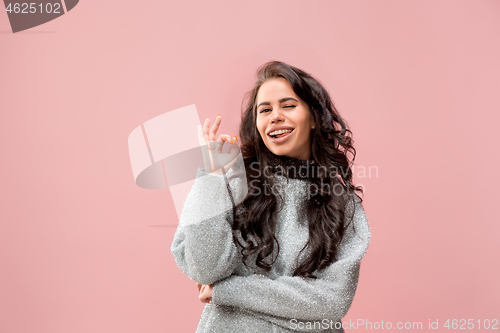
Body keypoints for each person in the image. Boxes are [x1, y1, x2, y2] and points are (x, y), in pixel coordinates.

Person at [171, 61, 371, 332]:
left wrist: (228, 290)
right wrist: (211, 177)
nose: (275, 116)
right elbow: (205, 268)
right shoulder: (230, 184)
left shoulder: (344, 206)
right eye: (265, 110)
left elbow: (331, 302)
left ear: (314, 117)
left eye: (288, 105)